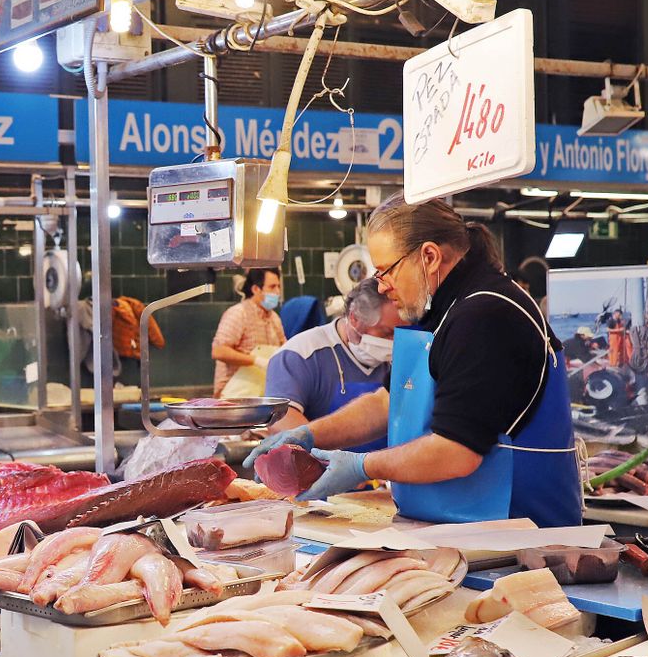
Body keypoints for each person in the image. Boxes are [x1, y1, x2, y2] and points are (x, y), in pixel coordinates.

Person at [244, 193, 581, 528]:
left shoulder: (484, 315)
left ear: (429, 257)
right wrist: (309, 435)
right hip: (470, 529)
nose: (381, 285)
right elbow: (389, 403)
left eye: (385, 270)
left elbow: (456, 452)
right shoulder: (443, 309)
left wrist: (363, 466)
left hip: (522, 537)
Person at [264, 277, 400, 452]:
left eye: (400, 332)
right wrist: (329, 464)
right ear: (355, 319)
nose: (394, 342)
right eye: (387, 333)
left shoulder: (402, 357)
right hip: (322, 475)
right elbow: (281, 421)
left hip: (386, 473)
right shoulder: (299, 355)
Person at [211, 267, 285, 396]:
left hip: (261, 395)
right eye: (272, 287)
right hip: (233, 398)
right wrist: (256, 361)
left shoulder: (274, 318)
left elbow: (285, 348)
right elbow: (219, 351)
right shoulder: (238, 313)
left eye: (278, 287)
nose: (277, 292)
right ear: (256, 289)